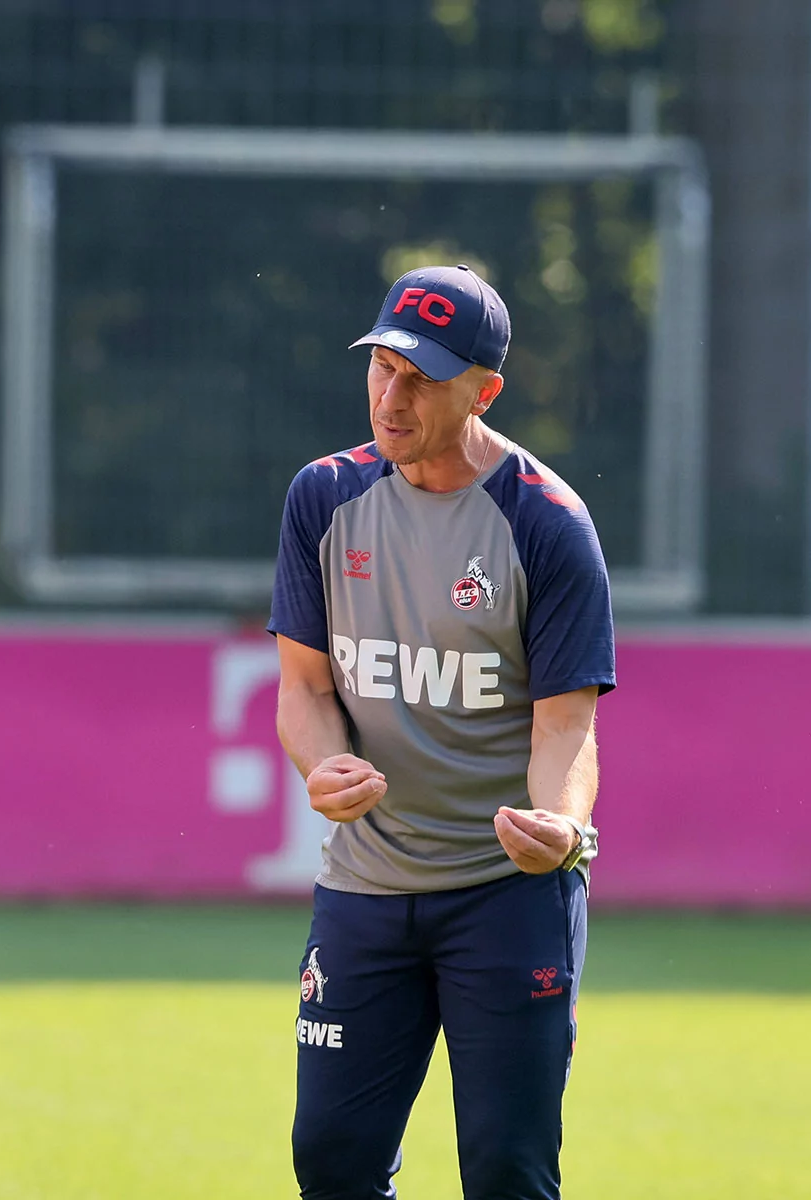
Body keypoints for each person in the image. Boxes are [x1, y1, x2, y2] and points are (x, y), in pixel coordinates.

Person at [268, 265, 615, 1200]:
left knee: (507, 1171)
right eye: (382, 366)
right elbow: (302, 688)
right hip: (366, 892)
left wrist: (562, 829)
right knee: (330, 1163)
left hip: (506, 897)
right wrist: (319, 760)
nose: (393, 394)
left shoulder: (549, 523)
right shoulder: (322, 499)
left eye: (422, 376)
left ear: (484, 389)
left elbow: (568, 727)